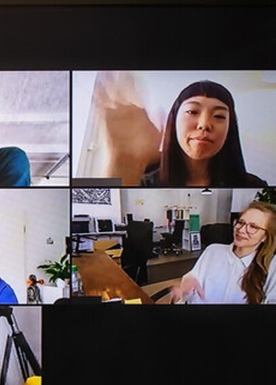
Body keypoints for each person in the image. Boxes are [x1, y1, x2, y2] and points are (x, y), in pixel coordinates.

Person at [93, 74, 266, 187]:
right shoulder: (143, 178)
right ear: (174, 120)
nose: (204, 124)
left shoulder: (254, 185)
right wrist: (122, 163)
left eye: (219, 116)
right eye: (192, 112)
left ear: (230, 128)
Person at [169, 201, 276, 304]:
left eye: (253, 227)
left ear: (265, 237)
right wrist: (183, 289)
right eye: (241, 222)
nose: (241, 230)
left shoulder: (271, 265)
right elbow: (190, 284)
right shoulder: (213, 251)